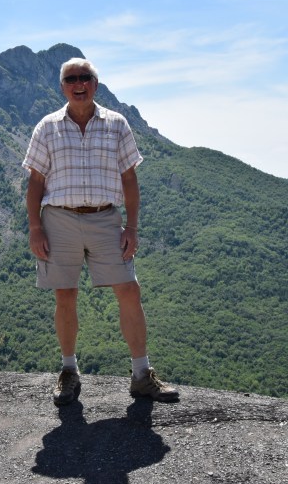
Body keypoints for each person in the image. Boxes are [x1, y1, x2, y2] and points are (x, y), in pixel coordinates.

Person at [22, 57, 179, 406]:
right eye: (71, 79)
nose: (78, 84)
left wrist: (132, 227)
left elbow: (129, 178)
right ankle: (69, 371)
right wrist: (35, 227)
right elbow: (36, 181)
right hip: (58, 219)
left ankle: (142, 374)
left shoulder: (117, 124)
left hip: (106, 217)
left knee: (129, 290)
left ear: (95, 83)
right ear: (62, 87)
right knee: (65, 294)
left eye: (85, 77)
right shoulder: (47, 127)